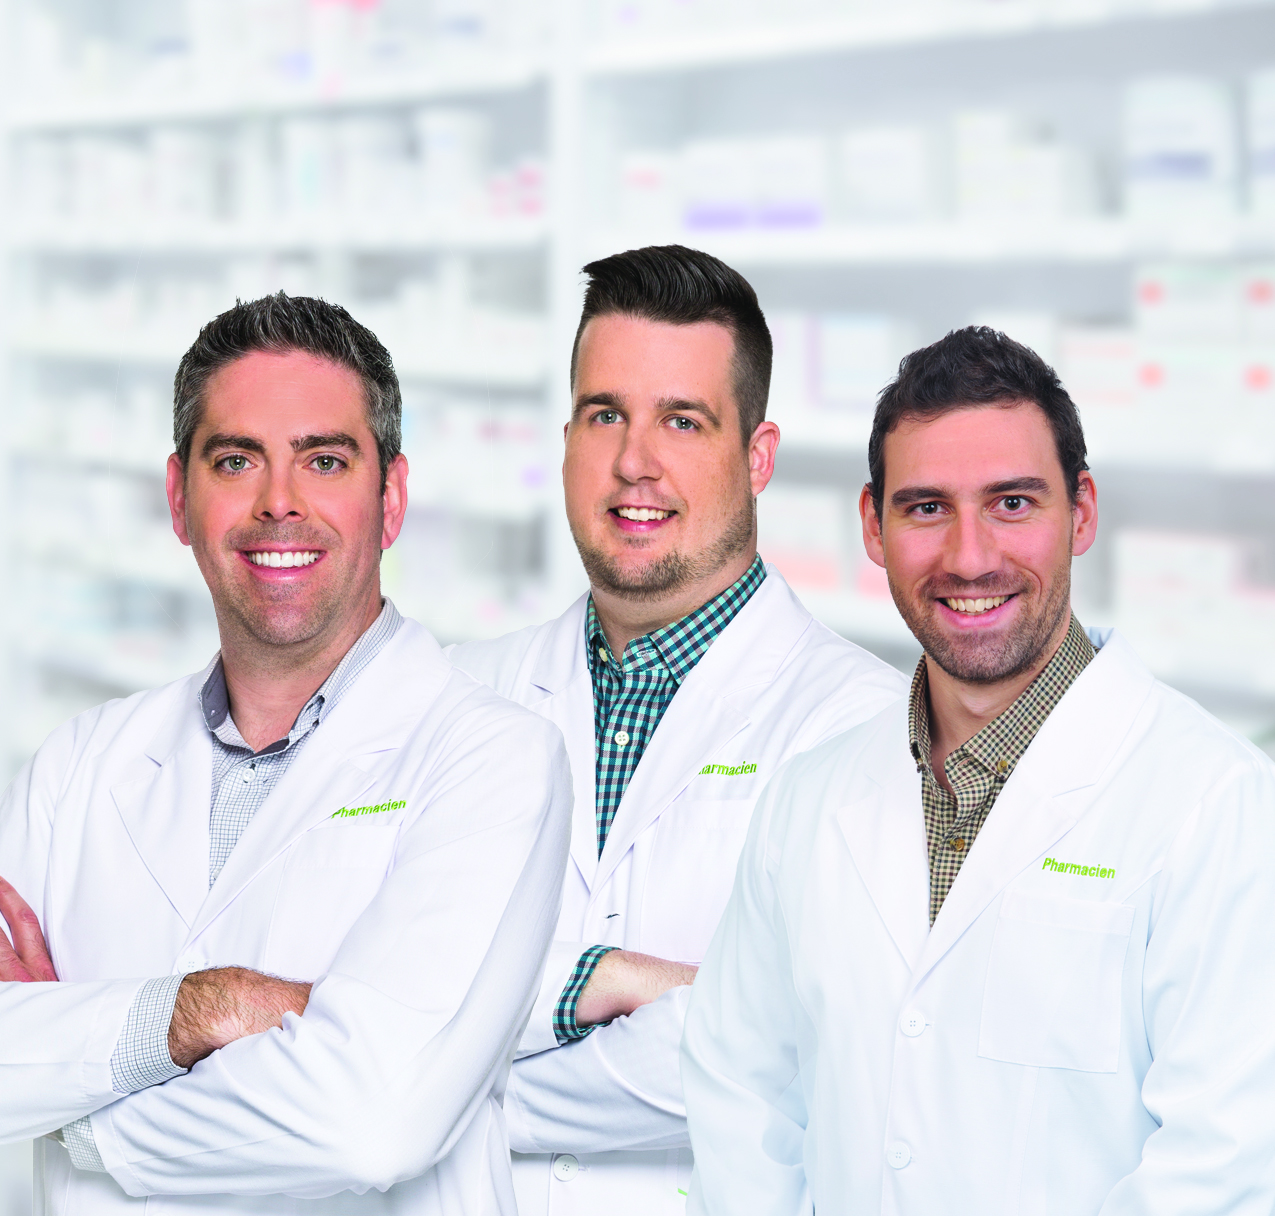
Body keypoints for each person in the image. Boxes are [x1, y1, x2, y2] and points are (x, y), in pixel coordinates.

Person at [681, 325, 1275, 1215]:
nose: (968, 557)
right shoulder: (805, 803)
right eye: (926, 508)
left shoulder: (1215, 804)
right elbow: (741, 1104)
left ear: (1080, 512)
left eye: (1011, 503)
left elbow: (1223, 1164)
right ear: (872, 526)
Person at [0, 293, 572, 1216]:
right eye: (236, 460)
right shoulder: (78, 768)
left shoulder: (493, 761)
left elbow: (374, 1119)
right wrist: (203, 1007)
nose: (279, 502)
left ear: (390, 499)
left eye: (325, 460)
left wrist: (73, 1097)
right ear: (178, 499)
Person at [447, 245, 906, 1216]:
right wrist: (605, 981)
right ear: (566, 438)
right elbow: (348, 991)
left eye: (682, 421)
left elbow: (793, 1051)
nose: (634, 462)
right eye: (605, 414)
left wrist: (436, 1093)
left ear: (758, 456)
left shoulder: (866, 728)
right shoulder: (454, 697)